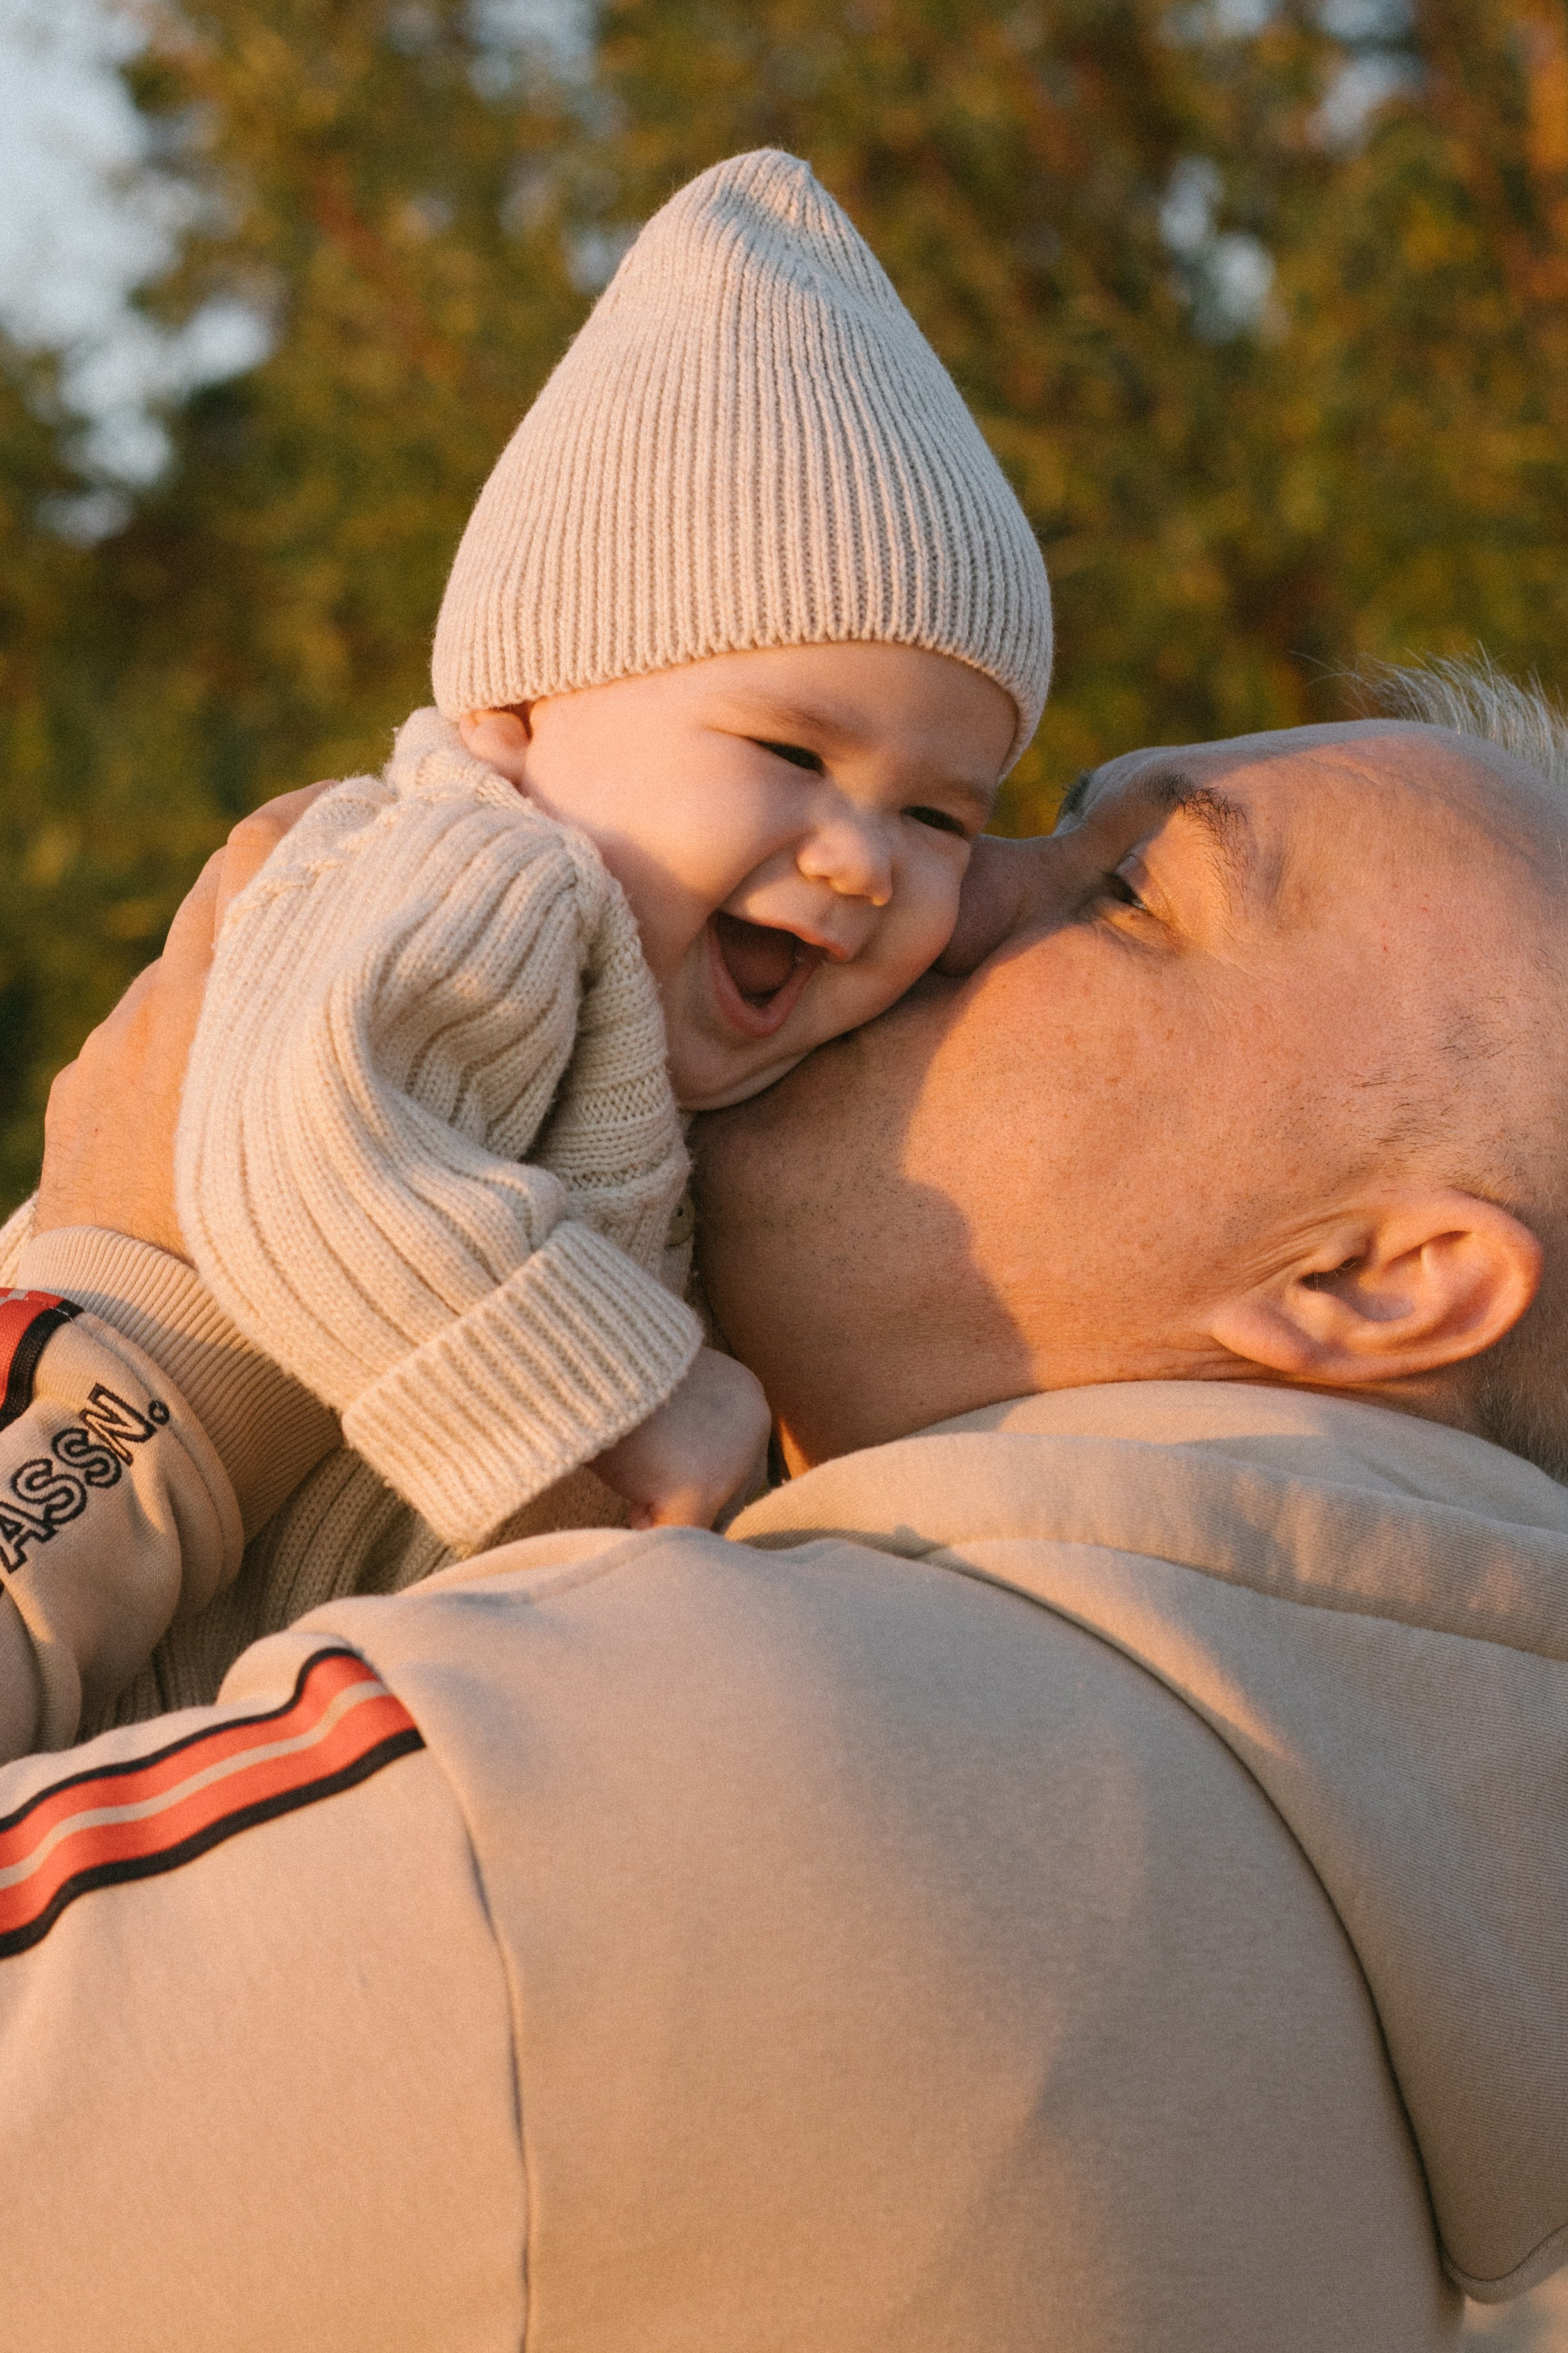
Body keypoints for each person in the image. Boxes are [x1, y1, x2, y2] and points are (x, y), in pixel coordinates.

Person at [1, 663, 1566, 2348]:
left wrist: (130, 1343)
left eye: (1122, 893)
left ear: (1375, 1283)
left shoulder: (694, 1774)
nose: (946, 893)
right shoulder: (1343, 2009)